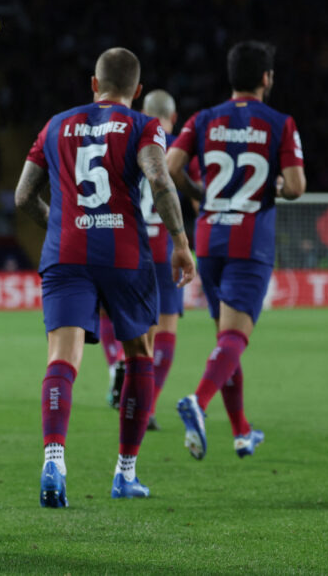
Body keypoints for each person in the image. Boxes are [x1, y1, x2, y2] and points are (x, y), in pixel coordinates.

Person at [15, 47, 195, 507]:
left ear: (93, 85)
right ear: (137, 92)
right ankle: (125, 473)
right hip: (124, 253)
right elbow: (159, 180)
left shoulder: (56, 124)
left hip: (66, 252)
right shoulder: (142, 125)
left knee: (62, 358)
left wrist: (59, 224)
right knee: (139, 355)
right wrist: (179, 242)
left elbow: (22, 196)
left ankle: (54, 458)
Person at [167, 41, 306, 460]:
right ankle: (198, 401)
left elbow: (172, 167)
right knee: (233, 339)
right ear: (266, 78)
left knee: (225, 341)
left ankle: (242, 431)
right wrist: (278, 186)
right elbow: (297, 186)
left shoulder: (204, 119)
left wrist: (200, 196)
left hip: (210, 241)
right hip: (250, 243)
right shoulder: (279, 123)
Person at [138, 89, 191, 430]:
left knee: (134, 330)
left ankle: (120, 373)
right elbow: (195, 192)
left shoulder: (133, 139)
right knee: (167, 328)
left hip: (133, 245)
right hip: (169, 246)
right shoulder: (181, 148)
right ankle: (149, 406)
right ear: (173, 118)